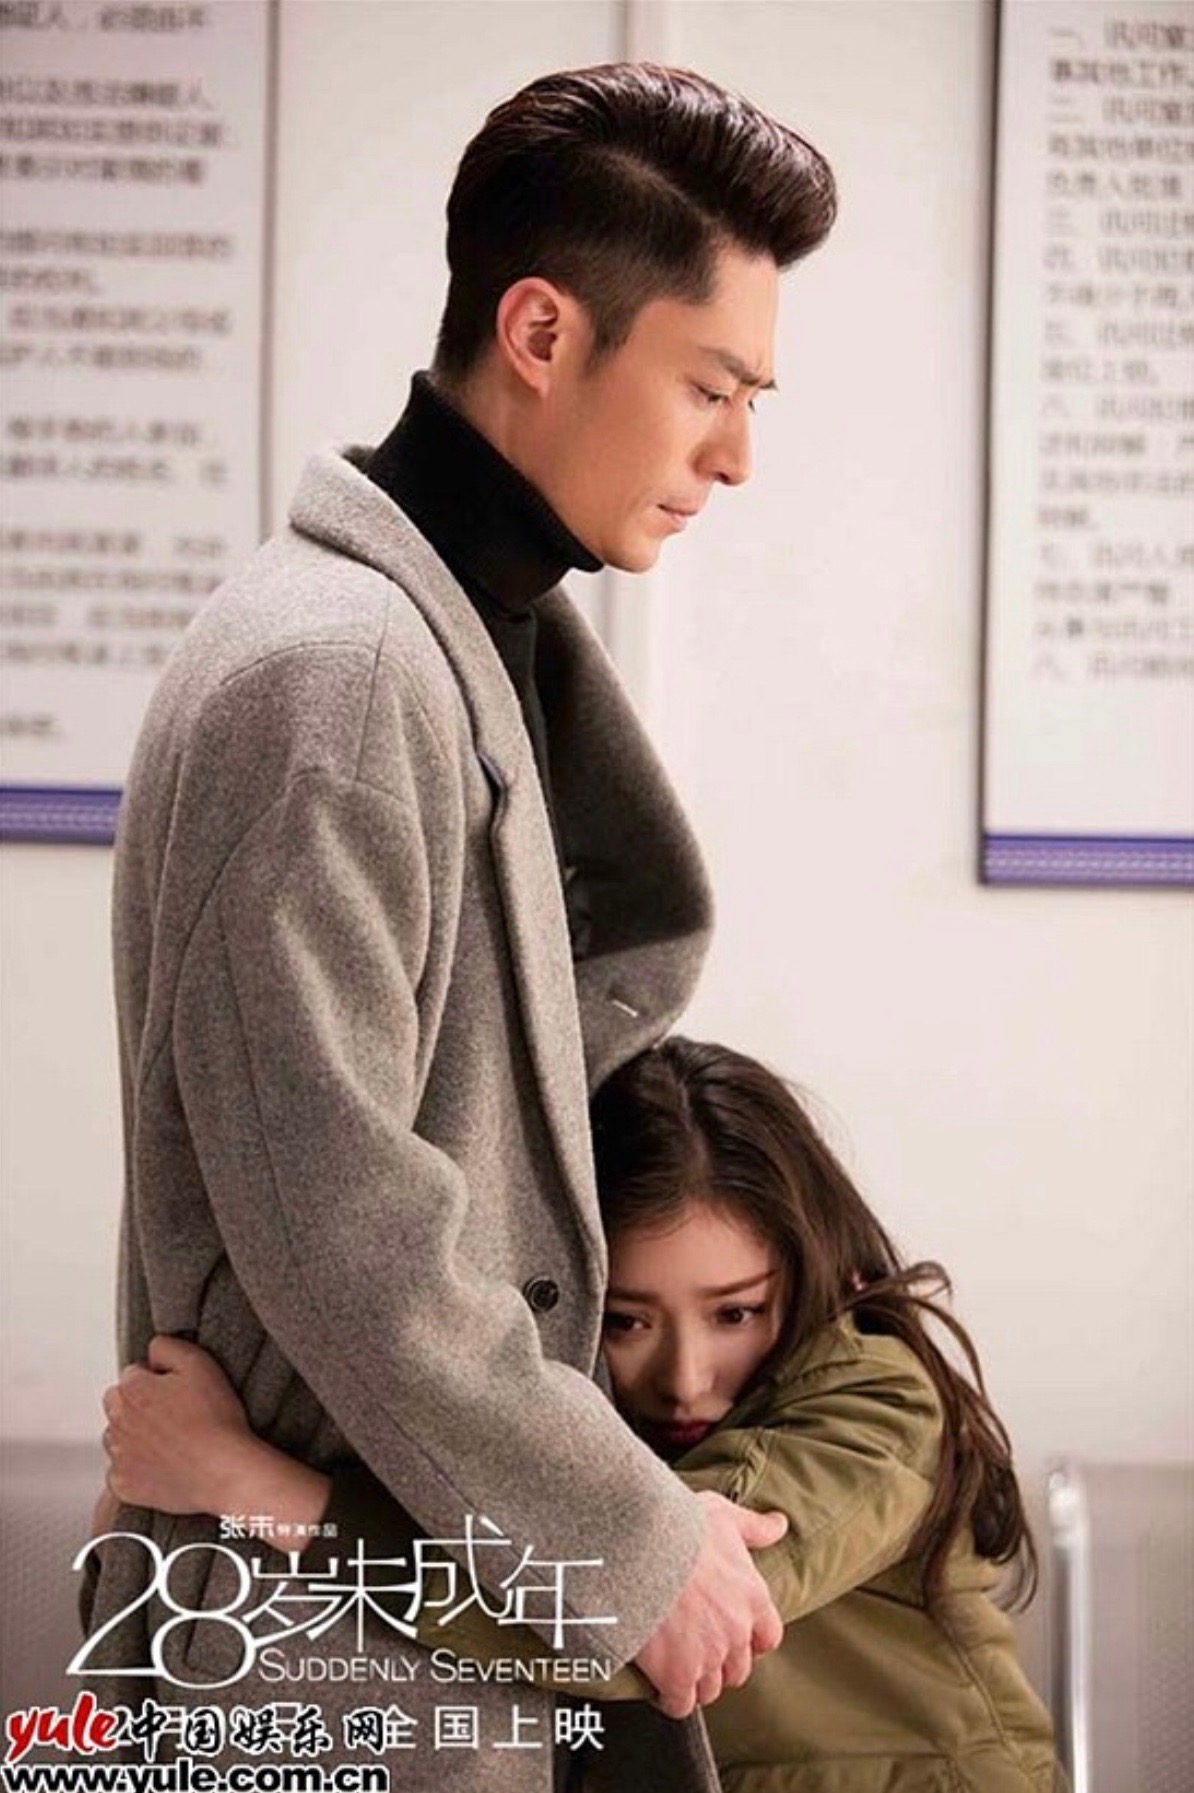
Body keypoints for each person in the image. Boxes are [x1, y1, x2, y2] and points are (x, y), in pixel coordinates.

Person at [87, 59, 837, 1792]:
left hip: (397, 1614)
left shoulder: (452, 639)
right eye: (709, 387)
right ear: (542, 332)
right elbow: (337, 1214)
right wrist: (624, 1539)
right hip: (320, 1662)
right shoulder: (339, 676)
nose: (735, 455)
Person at [104, 1037, 1068, 1792]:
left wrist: (256, 1485)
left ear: (809, 1264)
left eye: (736, 1312)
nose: (686, 1378)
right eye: (630, 1320)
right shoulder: (571, 1424)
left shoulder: (879, 1402)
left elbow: (640, 1613)